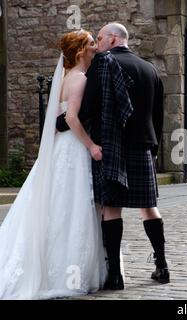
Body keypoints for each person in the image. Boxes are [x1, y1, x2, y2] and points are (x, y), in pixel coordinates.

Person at [56, 23, 167, 289]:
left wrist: (60, 124)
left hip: (113, 146)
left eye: (101, 37)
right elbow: (158, 115)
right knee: (149, 207)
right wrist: (154, 148)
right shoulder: (150, 69)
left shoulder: (104, 64)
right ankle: (162, 266)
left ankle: (115, 276)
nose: (98, 42)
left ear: (113, 38)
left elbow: (90, 106)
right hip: (142, 145)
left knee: (111, 208)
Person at [0, 30, 107, 299]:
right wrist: (91, 146)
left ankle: (50, 266)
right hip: (72, 148)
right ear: (81, 51)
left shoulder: (62, 79)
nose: (96, 47)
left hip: (60, 148)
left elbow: (57, 121)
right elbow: (71, 119)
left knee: (53, 204)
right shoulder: (80, 79)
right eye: (92, 43)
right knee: (70, 206)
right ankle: (63, 273)